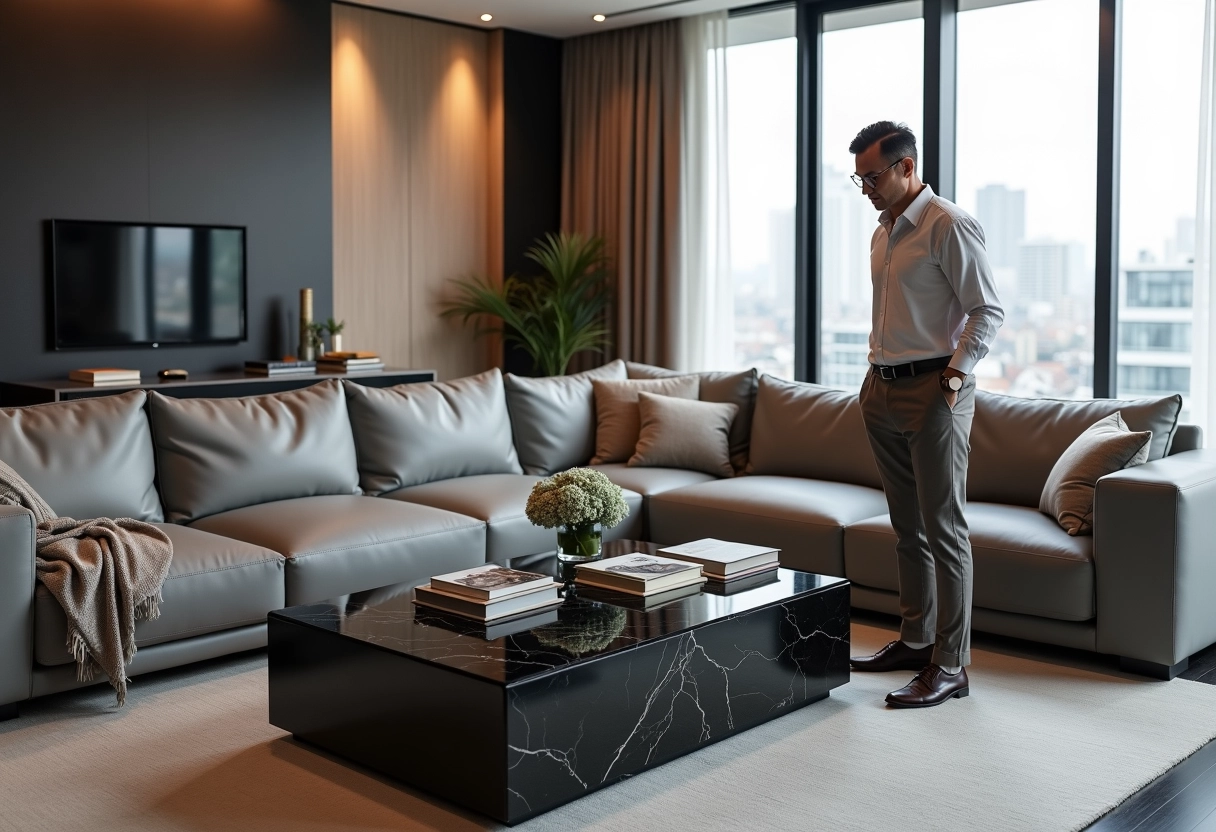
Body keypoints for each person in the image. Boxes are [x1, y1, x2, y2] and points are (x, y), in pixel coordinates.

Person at [846, 121, 1004, 709]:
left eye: (873, 174)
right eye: (858, 177)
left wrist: (957, 375)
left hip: (936, 389)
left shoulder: (950, 225)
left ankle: (951, 664)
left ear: (907, 166)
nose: (866, 186)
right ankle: (915, 641)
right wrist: (872, 378)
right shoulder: (881, 234)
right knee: (905, 528)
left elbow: (987, 310)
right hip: (880, 390)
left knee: (944, 530)